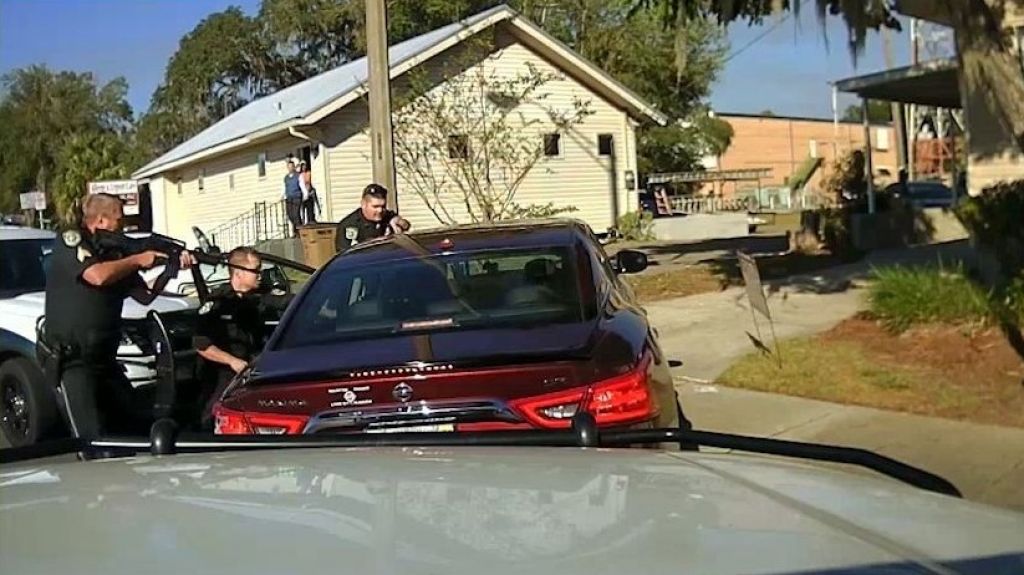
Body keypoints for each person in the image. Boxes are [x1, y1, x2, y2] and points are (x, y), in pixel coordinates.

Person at [40, 193, 194, 442]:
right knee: (92, 440)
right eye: (118, 221)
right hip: (74, 361)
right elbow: (97, 276)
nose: (122, 228)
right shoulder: (73, 239)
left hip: (105, 360)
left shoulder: (115, 256)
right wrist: (137, 260)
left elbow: (145, 296)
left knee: (134, 428)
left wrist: (171, 267)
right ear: (100, 220)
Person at [192, 247, 293, 428]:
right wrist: (232, 361)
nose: (260, 275)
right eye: (255, 270)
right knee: (213, 418)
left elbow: (286, 301)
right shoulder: (218, 302)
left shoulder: (258, 297)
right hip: (223, 374)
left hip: (253, 370)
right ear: (238, 273)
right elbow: (201, 344)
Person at [334, 183, 411, 252]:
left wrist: (399, 221)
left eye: (383, 206)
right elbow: (344, 255)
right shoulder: (349, 225)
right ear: (363, 204)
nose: (380, 210)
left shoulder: (387, 216)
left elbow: (406, 226)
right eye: (375, 206)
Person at [283, 158, 303, 236]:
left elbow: (302, 185)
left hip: (297, 197)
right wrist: (282, 195)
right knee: (290, 215)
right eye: (289, 166)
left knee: (296, 214)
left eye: (292, 166)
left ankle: (299, 231)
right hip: (289, 198)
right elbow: (284, 187)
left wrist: (305, 194)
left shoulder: (298, 176)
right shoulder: (286, 178)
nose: (290, 168)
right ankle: (296, 229)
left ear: (294, 167)